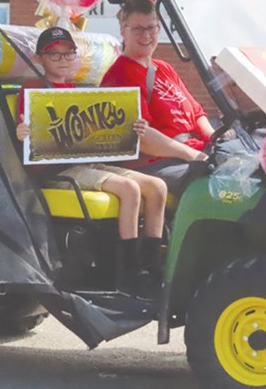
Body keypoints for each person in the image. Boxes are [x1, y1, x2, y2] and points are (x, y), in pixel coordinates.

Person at [15, 26, 166, 298]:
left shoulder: (81, 91)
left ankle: (151, 268)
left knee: (157, 188)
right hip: (57, 170)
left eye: (68, 54)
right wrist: (22, 131)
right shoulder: (34, 89)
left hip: (89, 162)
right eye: (54, 55)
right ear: (39, 59)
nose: (62, 60)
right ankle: (128, 272)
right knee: (129, 189)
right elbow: (24, 128)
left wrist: (133, 127)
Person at [100, 0, 231, 186]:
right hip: (158, 162)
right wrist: (193, 155)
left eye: (151, 28)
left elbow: (196, 114)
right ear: (123, 31)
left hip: (192, 154)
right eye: (137, 29)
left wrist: (217, 140)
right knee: (215, 188)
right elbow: (140, 137)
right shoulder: (120, 75)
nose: (146, 36)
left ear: (159, 29)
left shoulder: (163, 68)